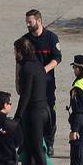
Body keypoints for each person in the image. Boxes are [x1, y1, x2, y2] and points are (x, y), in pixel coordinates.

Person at [21, 10, 62, 154]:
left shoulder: (51, 38)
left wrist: (43, 71)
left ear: (38, 21)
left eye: (30, 22)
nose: (27, 24)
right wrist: (18, 81)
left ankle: (49, 142)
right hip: (29, 84)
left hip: (47, 82)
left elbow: (57, 58)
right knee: (26, 111)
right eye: (26, 21)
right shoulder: (25, 40)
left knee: (49, 111)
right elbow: (19, 62)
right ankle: (26, 142)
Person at [13, 37, 50, 165]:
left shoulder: (27, 68)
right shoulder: (38, 65)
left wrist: (17, 117)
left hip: (33, 113)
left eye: (15, 51)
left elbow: (25, 95)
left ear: (21, 52)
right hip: (43, 110)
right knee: (28, 150)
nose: (14, 54)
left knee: (36, 149)